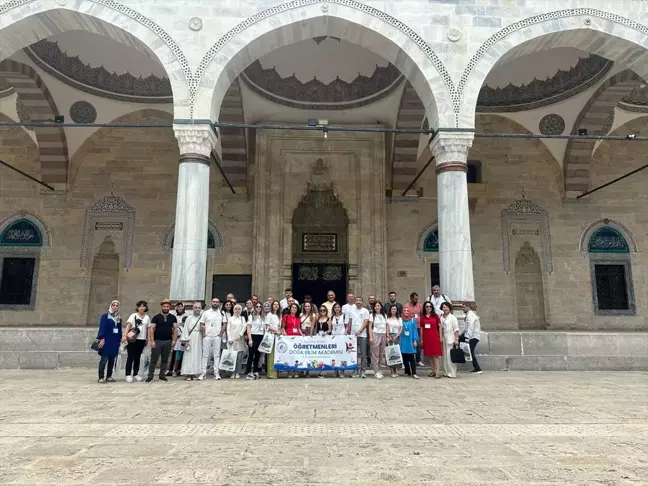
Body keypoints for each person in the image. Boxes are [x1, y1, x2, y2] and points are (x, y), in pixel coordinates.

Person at [146, 299, 178, 383]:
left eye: (167, 306)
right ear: (162, 307)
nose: (166, 308)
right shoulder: (156, 317)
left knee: (165, 359)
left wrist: (174, 340)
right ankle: (150, 375)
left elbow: (175, 329)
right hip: (157, 341)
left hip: (168, 341)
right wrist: (152, 341)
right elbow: (152, 329)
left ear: (169, 307)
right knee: (154, 359)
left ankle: (162, 375)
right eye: (164, 306)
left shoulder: (172, 317)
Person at [199, 298, 227, 380]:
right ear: (211, 303)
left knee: (217, 355)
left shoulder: (222, 313)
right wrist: (204, 334)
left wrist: (221, 333)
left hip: (217, 336)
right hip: (207, 336)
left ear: (219, 303)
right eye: (214, 302)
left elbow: (224, 324)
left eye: (217, 302)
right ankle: (203, 373)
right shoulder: (206, 313)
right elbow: (201, 323)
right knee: (205, 355)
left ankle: (216, 373)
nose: (215, 303)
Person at [96, 300, 122, 383]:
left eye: (117, 305)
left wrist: (120, 339)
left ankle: (109, 376)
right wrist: (102, 338)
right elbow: (102, 327)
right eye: (113, 305)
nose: (115, 307)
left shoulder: (119, 318)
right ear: (111, 306)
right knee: (104, 360)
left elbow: (119, 330)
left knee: (112, 360)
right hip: (106, 341)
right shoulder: (105, 316)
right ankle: (101, 377)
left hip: (114, 341)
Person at [124, 300, 150, 382]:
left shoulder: (147, 317)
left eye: (143, 306)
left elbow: (148, 329)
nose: (142, 308)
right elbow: (128, 326)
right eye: (140, 306)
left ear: (145, 307)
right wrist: (124, 335)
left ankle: (135, 373)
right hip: (132, 339)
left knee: (137, 357)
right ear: (137, 308)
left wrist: (147, 339)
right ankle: (128, 374)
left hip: (142, 340)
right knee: (130, 356)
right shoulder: (133, 315)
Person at [347, 296, 370, 378]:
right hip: (353, 335)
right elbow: (349, 322)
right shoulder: (351, 310)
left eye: (360, 300)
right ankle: (355, 370)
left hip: (362, 335)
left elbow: (366, 322)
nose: (358, 302)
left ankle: (363, 371)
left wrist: (360, 330)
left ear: (362, 302)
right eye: (357, 300)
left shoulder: (365, 311)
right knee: (354, 354)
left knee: (363, 354)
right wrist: (348, 331)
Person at [180, 302, 203, 380]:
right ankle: (188, 373)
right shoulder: (189, 318)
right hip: (190, 338)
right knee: (189, 355)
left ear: (201, 309)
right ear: (193, 309)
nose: (197, 309)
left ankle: (195, 372)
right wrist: (185, 341)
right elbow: (185, 329)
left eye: (198, 308)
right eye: (196, 307)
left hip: (199, 338)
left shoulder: (202, 318)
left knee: (197, 355)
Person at [420, 301, 442, 378]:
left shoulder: (435, 316)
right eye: (427, 306)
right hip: (427, 337)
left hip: (435, 337)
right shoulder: (422, 317)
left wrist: (440, 337)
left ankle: (437, 372)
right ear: (424, 308)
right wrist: (422, 339)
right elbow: (421, 329)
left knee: (436, 355)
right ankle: (433, 370)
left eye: (430, 306)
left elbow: (440, 326)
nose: (429, 308)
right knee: (430, 355)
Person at [460, 302, 482, 374]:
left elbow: (470, 327)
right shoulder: (468, 315)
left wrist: (467, 337)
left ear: (468, 307)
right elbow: (466, 327)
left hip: (473, 337)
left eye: (463, 307)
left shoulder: (470, 315)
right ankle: (476, 368)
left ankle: (478, 368)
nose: (462, 309)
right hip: (471, 336)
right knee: (469, 351)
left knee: (471, 352)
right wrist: (461, 334)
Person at [368, 301, 387, 380]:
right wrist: (371, 337)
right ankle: (375, 371)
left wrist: (387, 335)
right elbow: (369, 327)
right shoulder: (372, 315)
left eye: (378, 305)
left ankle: (379, 370)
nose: (377, 307)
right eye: (375, 306)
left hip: (383, 335)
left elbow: (386, 326)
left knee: (381, 354)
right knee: (375, 354)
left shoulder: (384, 315)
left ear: (381, 307)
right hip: (375, 334)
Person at [246, 301, 265, 379]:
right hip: (253, 336)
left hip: (261, 336)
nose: (258, 308)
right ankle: (249, 371)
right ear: (254, 307)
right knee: (251, 354)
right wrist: (250, 339)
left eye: (260, 307)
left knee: (258, 354)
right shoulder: (251, 316)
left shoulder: (263, 317)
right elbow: (248, 328)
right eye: (257, 306)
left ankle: (256, 370)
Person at [440, 302, 460, 378]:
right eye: (444, 307)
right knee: (444, 356)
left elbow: (456, 329)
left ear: (449, 308)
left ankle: (452, 372)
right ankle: (446, 371)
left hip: (451, 337)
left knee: (450, 355)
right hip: (444, 337)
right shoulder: (441, 317)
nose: (445, 309)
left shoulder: (452, 318)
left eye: (446, 307)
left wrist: (456, 339)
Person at [227, 304, 247, 379]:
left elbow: (244, 326)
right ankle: (232, 372)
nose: (237, 310)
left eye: (239, 309)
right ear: (233, 310)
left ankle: (238, 372)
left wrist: (240, 334)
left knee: (239, 357)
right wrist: (229, 338)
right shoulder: (230, 319)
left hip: (240, 339)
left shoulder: (242, 318)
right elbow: (228, 329)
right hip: (232, 339)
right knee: (232, 356)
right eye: (236, 309)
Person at [168, 301, 187, 377]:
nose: (180, 308)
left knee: (182, 354)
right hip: (176, 337)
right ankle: (171, 370)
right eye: (178, 306)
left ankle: (179, 369)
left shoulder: (186, 316)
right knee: (174, 354)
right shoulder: (173, 316)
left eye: (181, 306)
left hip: (183, 337)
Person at [403, 292, 423, 366]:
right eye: (415, 299)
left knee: (418, 344)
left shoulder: (419, 306)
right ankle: (409, 360)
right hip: (409, 327)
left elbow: (421, 315)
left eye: (417, 299)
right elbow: (404, 315)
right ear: (411, 298)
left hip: (418, 327)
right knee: (409, 343)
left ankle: (418, 360)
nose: (416, 300)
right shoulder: (406, 306)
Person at [399, 307, 419, 379]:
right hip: (403, 339)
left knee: (411, 357)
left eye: (408, 311)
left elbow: (415, 331)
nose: (406, 312)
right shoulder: (400, 320)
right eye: (405, 310)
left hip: (410, 340)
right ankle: (407, 371)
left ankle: (414, 373)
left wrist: (415, 340)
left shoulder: (413, 320)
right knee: (404, 355)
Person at [330, 302, 347, 378]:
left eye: (338, 307)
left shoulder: (343, 316)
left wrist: (346, 331)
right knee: (335, 354)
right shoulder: (332, 317)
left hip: (342, 337)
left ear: (340, 308)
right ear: (333, 309)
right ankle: (335, 370)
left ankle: (342, 370)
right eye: (335, 307)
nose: (337, 308)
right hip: (334, 337)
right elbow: (331, 328)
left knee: (342, 354)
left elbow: (347, 326)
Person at [386, 304, 403, 378]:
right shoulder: (388, 318)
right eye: (392, 309)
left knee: (397, 354)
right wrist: (388, 335)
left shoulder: (399, 319)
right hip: (390, 336)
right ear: (390, 310)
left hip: (397, 336)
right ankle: (392, 371)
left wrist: (397, 335)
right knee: (391, 354)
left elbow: (401, 328)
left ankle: (396, 371)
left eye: (395, 309)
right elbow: (387, 327)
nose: (393, 310)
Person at [265, 301, 281, 379]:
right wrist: (276, 331)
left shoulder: (278, 315)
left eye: (277, 305)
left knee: (276, 355)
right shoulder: (269, 314)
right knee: (271, 355)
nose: (276, 306)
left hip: (278, 337)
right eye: (274, 304)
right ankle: (271, 373)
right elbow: (267, 326)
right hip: (271, 336)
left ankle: (276, 372)